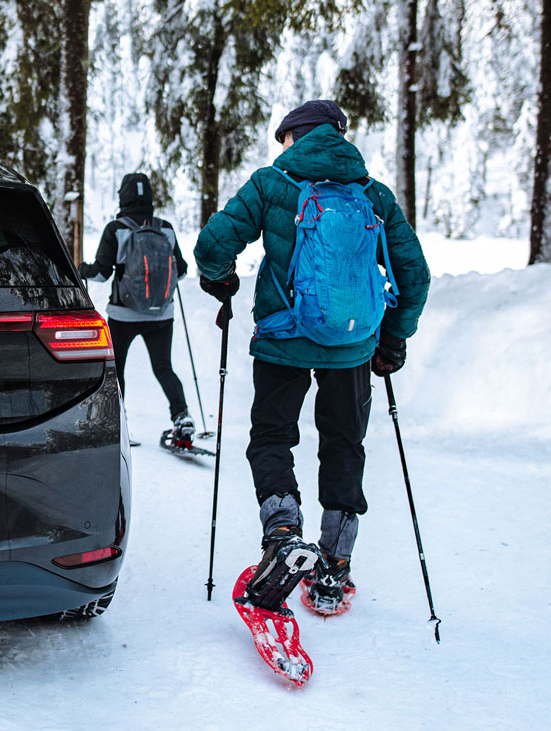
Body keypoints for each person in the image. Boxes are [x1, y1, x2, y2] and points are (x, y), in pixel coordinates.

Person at [194, 100, 431, 613]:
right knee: (345, 444)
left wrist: (221, 281)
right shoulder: (373, 196)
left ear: (295, 137)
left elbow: (213, 244)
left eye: (284, 139)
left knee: (274, 436)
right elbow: (415, 275)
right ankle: (334, 567)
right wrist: (393, 339)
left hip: (283, 341)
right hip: (351, 348)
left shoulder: (271, 184)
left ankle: (282, 534)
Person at [79, 172, 195, 446]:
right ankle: (182, 416)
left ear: (123, 197)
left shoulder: (116, 229)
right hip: (161, 315)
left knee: (117, 369)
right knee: (164, 367)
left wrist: (83, 269)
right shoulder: (165, 227)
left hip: (123, 315)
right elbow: (182, 271)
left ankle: (117, 422)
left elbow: (102, 274)